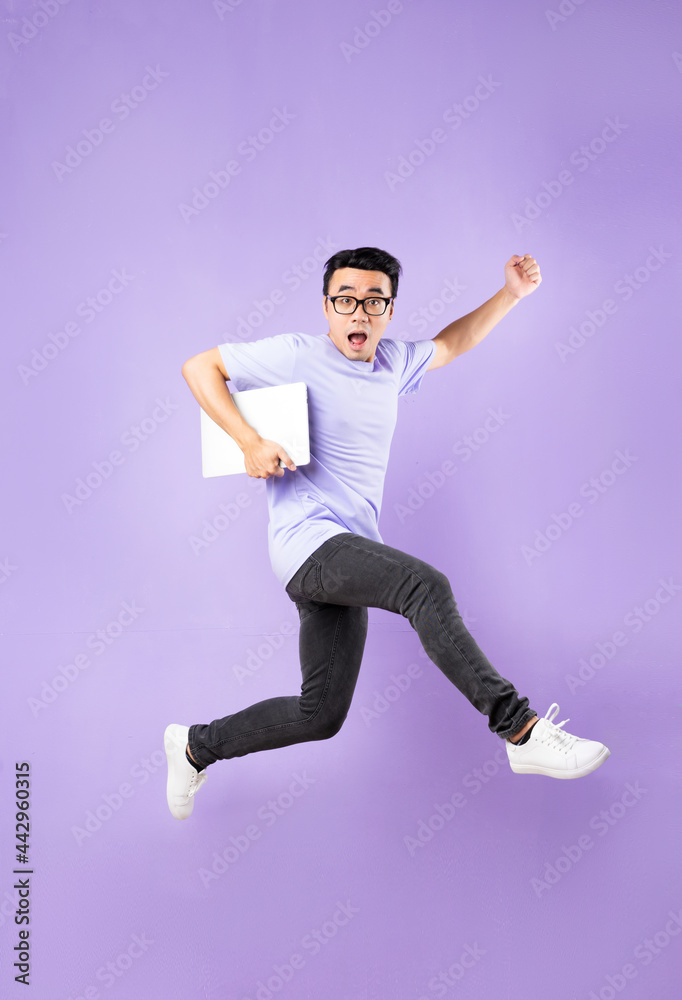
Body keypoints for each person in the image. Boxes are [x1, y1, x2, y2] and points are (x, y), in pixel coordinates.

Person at [164, 246, 610, 820]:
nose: (359, 312)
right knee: (423, 586)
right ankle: (520, 730)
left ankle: (195, 746)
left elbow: (452, 343)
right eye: (345, 300)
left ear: (390, 310)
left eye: (374, 301)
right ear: (327, 308)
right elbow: (199, 368)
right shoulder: (296, 354)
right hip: (309, 544)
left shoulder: (394, 362)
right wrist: (249, 441)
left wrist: (510, 296)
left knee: (319, 714)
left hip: (346, 557)